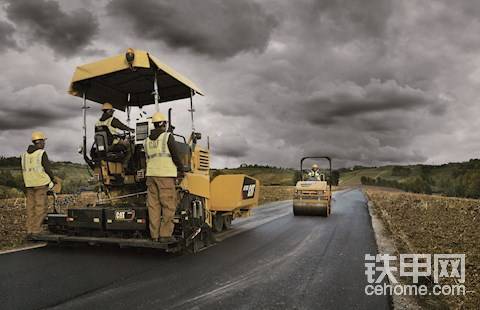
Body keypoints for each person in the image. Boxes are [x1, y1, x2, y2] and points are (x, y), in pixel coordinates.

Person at [144, 112, 184, 242]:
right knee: (168, 206)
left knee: (153, 206)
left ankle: (154, 235)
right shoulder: (167, 137)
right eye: (165, 123)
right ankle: (165, 235)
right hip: (165, 176)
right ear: (162, 123)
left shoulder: (146, 141)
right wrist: (182, 169)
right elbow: (175, 156)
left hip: (151, 176)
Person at [21, 131, 55, 238]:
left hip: (28, 184)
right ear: (39, 142)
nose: (44, 144)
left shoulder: (24, 155)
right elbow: (47, 169)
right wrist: (53, 180)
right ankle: (36, 231)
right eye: (43, 141)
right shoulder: (41, 153)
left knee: (30, 208)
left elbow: (23, 170)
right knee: (40, 208)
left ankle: (29, 230)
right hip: (40, 184)